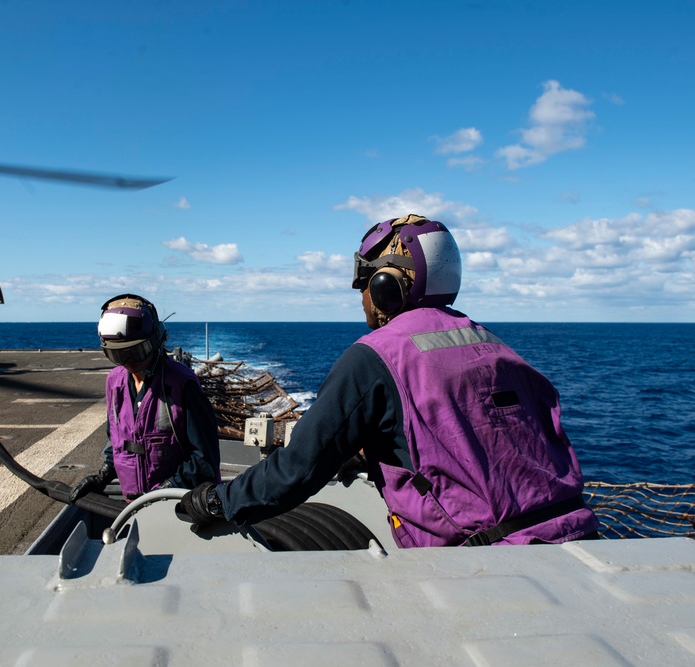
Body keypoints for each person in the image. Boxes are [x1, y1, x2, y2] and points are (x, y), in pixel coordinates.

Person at [181, 215, 599, 547]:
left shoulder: (376, 356)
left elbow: (295, 470)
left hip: (485, 567)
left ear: (385, 286)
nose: (361, 296)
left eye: (364, 283)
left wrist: (217, 501)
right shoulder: (495, 346)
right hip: (577, 541)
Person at [70, 294, 222, 503]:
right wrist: (103, 474)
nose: (128, 361)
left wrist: (166, 491)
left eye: (136, 351)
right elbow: (117, 440)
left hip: (180, 506)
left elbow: (205, 459)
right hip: (134, 506)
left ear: (156, 340)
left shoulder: (182, 384)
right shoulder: (115, 383)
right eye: (119, 355)